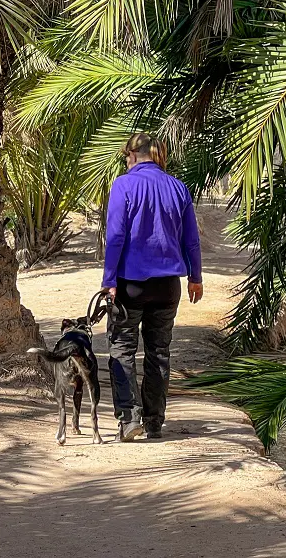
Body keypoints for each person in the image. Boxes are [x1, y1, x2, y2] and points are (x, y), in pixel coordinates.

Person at [102, 132, 202, 442]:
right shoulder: (177, 187)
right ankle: (155, 422)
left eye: (126, 157)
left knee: (122, 350)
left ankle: (130, 419)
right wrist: (195, 277)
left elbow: (116, 236)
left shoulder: (124, 185)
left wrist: (109, 280)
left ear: (132, 155)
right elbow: (191, 239)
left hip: (131, 284)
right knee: (158, 353)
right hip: (168, 286)